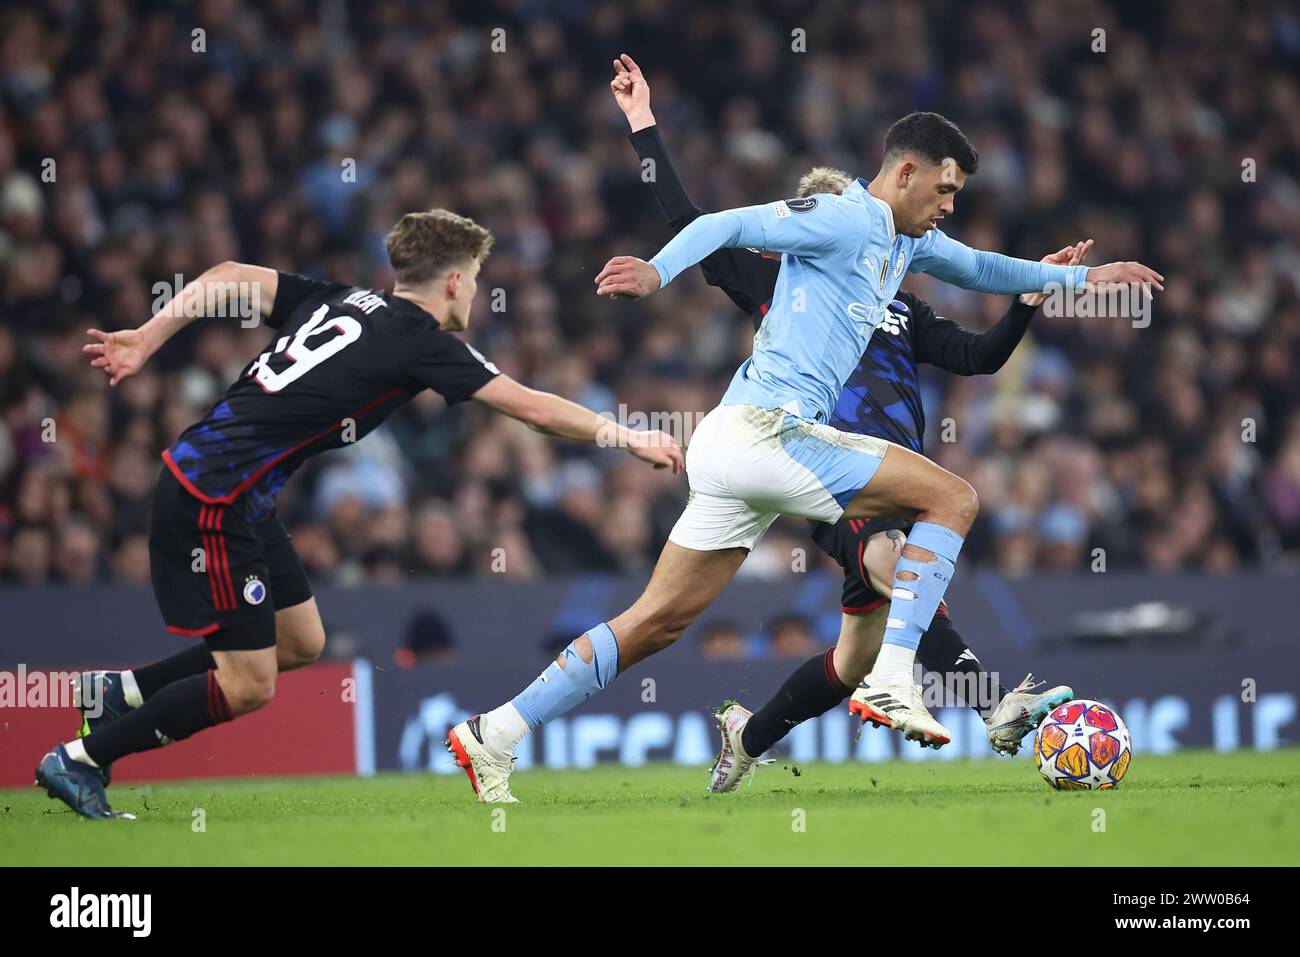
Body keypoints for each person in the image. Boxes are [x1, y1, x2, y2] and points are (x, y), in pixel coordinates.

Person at [448, 73, 1161, 804]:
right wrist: (659, 267)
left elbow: (982, 269)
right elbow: (719, 223)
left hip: (741, 449)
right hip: (768, 434)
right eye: (944, 192)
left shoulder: (904, 248)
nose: (950, 207)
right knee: (955, 497)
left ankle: (495, 732)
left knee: (654, 624)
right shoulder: (842, 218)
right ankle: (899, 681)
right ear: (905, 173)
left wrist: (1085, 279)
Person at [36, 209, 682, 820]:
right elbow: (535, 409)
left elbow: (229, 277)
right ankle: (81, 759)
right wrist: (628, 437)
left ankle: (117, 692)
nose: (477, 295)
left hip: (236, 489)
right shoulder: (419, 343)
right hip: (216, 496)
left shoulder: (343, 301)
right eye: (477, 281)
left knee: (300, 642)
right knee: (250, 683)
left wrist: (148, 337)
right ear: (455, 281)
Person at [606, 53, 1074, 791]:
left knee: (850, 657)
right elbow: (695, 222)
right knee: (890, 562)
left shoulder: (902, 302)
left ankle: (746, 735)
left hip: (892, 471)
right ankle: (993, 705)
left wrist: (1025, 301)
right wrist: (643, 127)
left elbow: (979, 357)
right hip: (813, 462)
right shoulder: (776, 278)